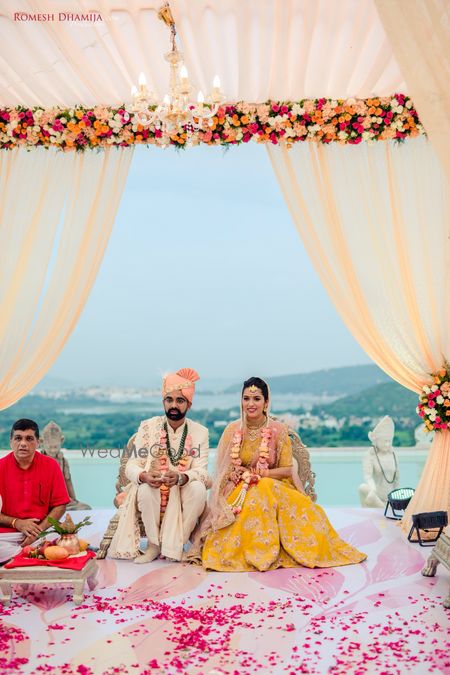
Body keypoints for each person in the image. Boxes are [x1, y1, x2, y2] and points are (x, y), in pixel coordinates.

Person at [188, 377, 366, 572]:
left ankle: (270, 550)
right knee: (253, 492)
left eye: (256, 399)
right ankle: (252, 551)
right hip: (240, 488)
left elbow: (288, 469)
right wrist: (234, 473)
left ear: (266, 402)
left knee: (264, 486)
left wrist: (262, 473)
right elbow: (223, 467)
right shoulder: (232, 430)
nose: (250, 404)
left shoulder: (278, 430)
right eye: (246, 398)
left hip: (275, 485)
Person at [109, 368, 210, 563]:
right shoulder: (149, 427)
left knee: (198, 489)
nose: (173, 405)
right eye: (169, 400)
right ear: (163, 401)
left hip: (181, 488)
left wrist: (182, 477)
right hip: (154, 485)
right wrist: (143, 475)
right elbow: (131, 465)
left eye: (180, 401)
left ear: (188, 404)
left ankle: (176, 546)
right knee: (146, 488)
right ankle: (154, 546)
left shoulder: (200, 432)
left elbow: (202, 470)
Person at [0, 419, 70, 563]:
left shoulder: (51, 466)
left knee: (65, 541)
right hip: (6, 535)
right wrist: (16, 522)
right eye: (18, 438)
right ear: (11, 442)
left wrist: (39, 530)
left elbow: (60, 504)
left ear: (38, 442)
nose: (23, 443)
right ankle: (30, 555)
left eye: (29, 438)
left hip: (42, 532)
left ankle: (22, 557)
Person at [41, 420, 91, 510]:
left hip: (62, 501)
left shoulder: (63, 461)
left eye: (55, 447)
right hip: (44, 501)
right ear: (41, 442)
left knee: (85, 508)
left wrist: (74, 500)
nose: (52, 450)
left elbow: (68, 481)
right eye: (50, 447)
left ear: (62, 441)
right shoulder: (38, 462)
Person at [359, 415, 400, 508]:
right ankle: (382, 509)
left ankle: (386, 509)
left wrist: (397, 498)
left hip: (390, 499)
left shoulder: (393, 454)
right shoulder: (370, 455)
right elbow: (367, 476)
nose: (387, 444)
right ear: (376, 441)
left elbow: (397, 479)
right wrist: (373, 489)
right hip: (375, 496)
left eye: (389, 441)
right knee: (362, 488)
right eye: (384, 441)